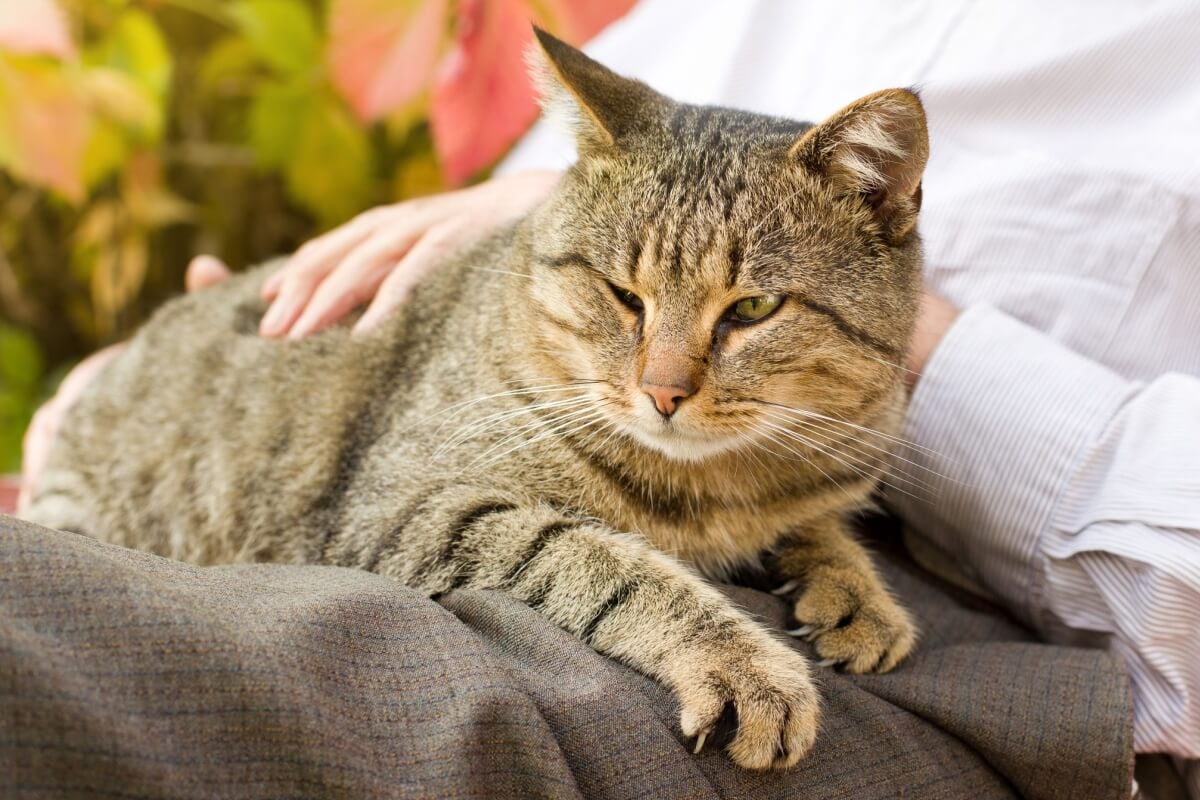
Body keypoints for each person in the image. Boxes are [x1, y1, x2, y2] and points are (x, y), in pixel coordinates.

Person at [20, 0, 1200, 794]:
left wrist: (898, 385)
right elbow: (406, 459)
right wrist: (164, 383)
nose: (666, 384)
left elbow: (402, 527)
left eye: (740, 319)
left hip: (951, 650)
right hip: (220, 463)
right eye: (641, 318)